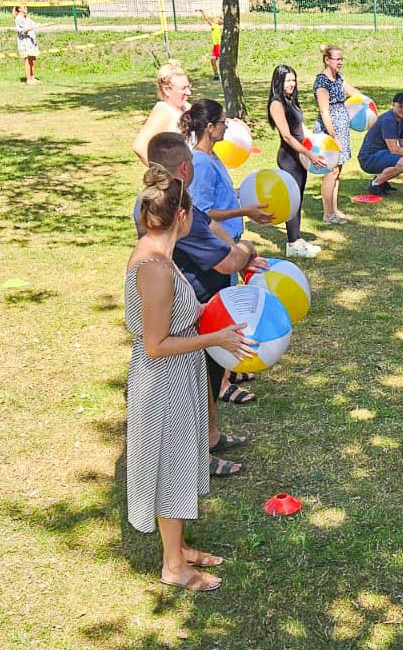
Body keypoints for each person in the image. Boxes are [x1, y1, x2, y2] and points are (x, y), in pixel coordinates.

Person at [126, 162, 255, 591]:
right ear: (180, 216)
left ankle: (177, 548)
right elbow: (156, 344)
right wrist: (214, 336)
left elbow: (186, 312)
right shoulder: (156, 268)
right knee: (169, 468)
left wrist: (224, 308)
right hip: (162, 381)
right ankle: (173, 568)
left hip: (178, 376)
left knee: (178, 465)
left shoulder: (159, 252)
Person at [139, 132, 261, 472]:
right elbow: (226, 262)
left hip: (195, 306)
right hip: (188, 311)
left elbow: (213, 229)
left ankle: (209, 437)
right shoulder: (176, 214)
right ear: (184, 168)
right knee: (195, 387)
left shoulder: (159, 201)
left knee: (206, 381)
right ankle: (198, 457)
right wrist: (247, 250)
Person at [180, 99, 273, 247]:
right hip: (218, 242)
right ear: (210, 127)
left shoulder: (212, 155)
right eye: (223, 123)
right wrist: (244, 211)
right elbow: (203, 212)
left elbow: (218, 193)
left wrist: (239, 192)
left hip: (228, 238)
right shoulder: (201, 163)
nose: (226, 128)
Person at [267, 64, 323, 259]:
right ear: (278, 81)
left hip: (300, 156)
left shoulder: (291, 101)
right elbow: (288, 136)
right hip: (289, 158)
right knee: (291, 201)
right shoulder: (277, 103)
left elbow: (300, 128)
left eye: (293, 80)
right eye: (288, 80)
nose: (292, 84)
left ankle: (297, 239)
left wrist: (316, 144)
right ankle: (292, 243)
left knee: (298, 199)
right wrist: (308, 153)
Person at [313, 44, 366, 225]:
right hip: (330, 130)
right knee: (331, 170)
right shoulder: (322, 82)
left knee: (338, 171)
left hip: (341, 128)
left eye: (342, 59)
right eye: (337, 59)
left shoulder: (338, 78)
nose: (340, 62)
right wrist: (334, 136)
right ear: (327, 60)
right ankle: (328, 214)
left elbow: (354, 93)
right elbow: (324, 112)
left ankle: (334, 210)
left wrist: (367, 104)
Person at [358, 92, 403, 196]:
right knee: (402, 162)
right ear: (393, 104)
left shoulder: (401, 120)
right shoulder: (388, 120)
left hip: (381, 153)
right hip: (368, 158)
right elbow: (394, 149)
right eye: (400, 107)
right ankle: (375, 185)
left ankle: (382, 181)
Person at [133, 62, 192, 166]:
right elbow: (139, 146)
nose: (189, 92)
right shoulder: (163, 112)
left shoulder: (185, 107)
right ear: (166, 90)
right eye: (183, 89)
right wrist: (165, 174)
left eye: (189, 87)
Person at [13, 6, 42, 85]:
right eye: (24, 7)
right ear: (19, 9)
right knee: (27, 59)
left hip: (31, 42)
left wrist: (47, 24)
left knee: (33, 59)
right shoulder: (18, 19)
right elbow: (23, 31)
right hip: (24, 43)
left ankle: (33, 77)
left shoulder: (27, 18)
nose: (26, 8)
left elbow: (35, 24)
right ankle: (28, 79)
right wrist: (32, 27)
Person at [197, 9, 222, 81]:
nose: (215, 18)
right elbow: (207, 19)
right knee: (212, 60)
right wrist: (202, 12)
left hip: (219, 46)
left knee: (219, 61)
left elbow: (207, 19)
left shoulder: (217, 26)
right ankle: (216, 75)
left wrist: (203, 12)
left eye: (217, 18)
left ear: (220, 21)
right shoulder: (214, 26)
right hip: (216, 46)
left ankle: (222, 74)